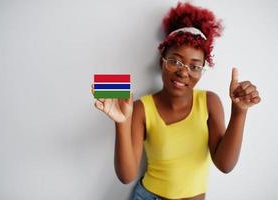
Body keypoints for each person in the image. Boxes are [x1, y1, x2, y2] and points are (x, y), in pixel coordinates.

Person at [92, 2, 261, 200]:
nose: (183, 72)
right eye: (175, 61)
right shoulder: (141, 107)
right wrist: (121, 123)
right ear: (161, 61)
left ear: (202, 71)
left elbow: (225, 165)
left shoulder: (210, 102)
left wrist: (239, 112)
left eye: (194, 66)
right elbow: (126, 175)